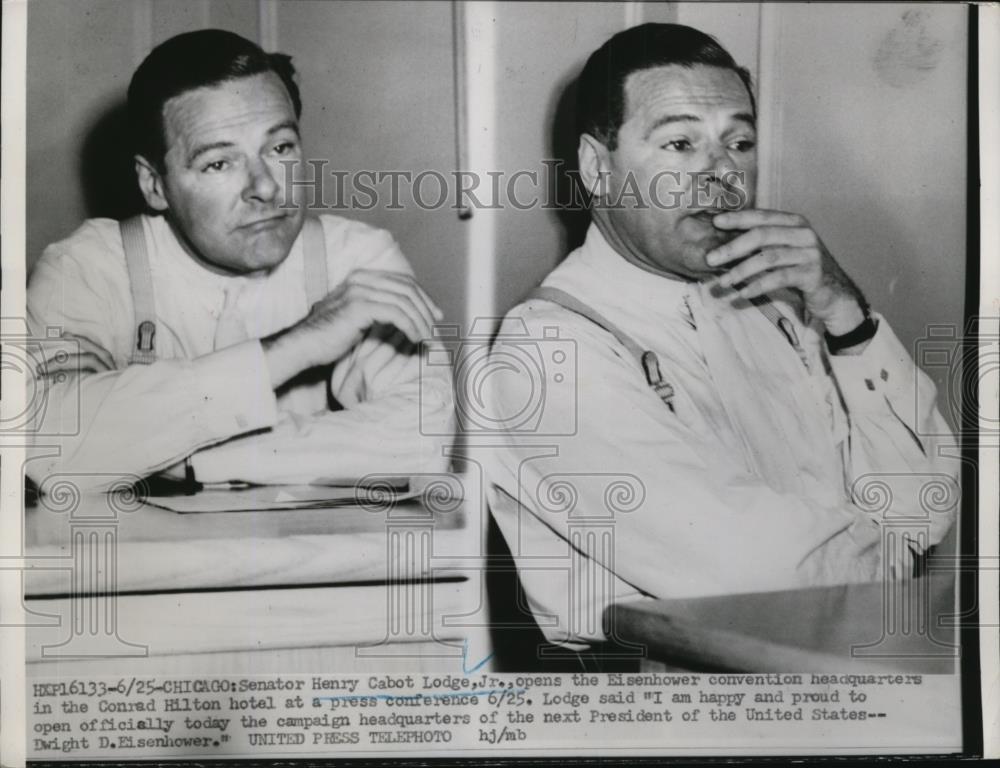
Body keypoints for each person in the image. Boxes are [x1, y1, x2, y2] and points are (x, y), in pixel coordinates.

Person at [485, 23, 958, 651]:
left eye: (739, 142)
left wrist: (847, 314)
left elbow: (925, 500)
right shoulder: (547, 350)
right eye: (680, 143)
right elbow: (755, 576)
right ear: (598, 168)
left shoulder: (766, 306)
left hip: (840, 667)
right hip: (663, 711)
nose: (719, 171)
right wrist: (894, 564)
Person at [26, 29, 454, 492]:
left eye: (280, 148)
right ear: (154, 184)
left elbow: (421, 438)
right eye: (219, 164)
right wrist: (296, 345)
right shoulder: (88, 268)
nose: (266, 187)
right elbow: (44, 448)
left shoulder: (357, 258)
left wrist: (189, 459)